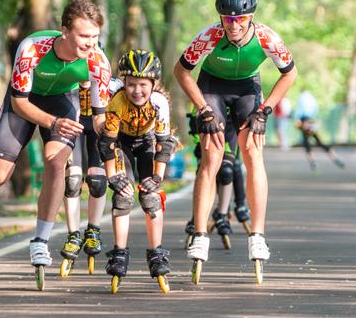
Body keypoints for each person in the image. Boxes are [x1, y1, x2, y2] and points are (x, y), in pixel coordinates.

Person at [0, 0, 112, 290]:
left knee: (56, 162)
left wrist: (115, 134)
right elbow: (19, 101)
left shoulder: (98, 61)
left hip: (64, 101)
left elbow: (100, 118)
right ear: (64, 31)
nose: (90, 43)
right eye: (84, 36)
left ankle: (40, 239)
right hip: (25, 103)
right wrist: (52, 123)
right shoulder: (32, 49)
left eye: (95, 36)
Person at [174, 0, 298, 284]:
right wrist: (202, 109)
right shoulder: (209, 36)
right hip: (212, 88)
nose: (232, 26)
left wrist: (265, 110)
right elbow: (181, 71)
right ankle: (201, 233)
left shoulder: (267, 37)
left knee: (253, 152)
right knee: (212, 156)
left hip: (247, 89)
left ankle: (258, 234)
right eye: (226, 19)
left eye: (240, 20)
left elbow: (290, 73)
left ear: (251, 17)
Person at [99, 49, 177, 294]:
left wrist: (157, 177)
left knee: (151, 196)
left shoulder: (159, 103)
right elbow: (107, 144)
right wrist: (112, 176)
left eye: (143, 84)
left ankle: (157, 253)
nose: (137, 90)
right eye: (131, 84)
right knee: (122, 196)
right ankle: (119, 253)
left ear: (153, 84)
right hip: (120, 142)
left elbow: (164, 144)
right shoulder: (117, 102)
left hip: (147, 142)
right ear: (123, 83)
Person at [184, 110, 252, 250]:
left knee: (228, 170)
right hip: (206, 116)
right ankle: (197, 217)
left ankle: (223, 214)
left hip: (230, 121)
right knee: (205, 171)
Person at [59, 80, 107, 276]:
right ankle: (73, 235)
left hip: (98, 123)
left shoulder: (104, 75)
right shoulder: (67, 72)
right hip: (72, 122)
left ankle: (93, 231)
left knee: (97, 181)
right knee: (72, 179)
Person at [293, 90, 344, 170]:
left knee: (308, 144)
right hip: (310, 121)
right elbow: (315, 110)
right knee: (318, 143)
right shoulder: (311, 98)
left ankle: (313, 162)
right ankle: (335, 158)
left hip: (305, 121)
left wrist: (300, 122)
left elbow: (299, 112)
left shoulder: (301, 98)